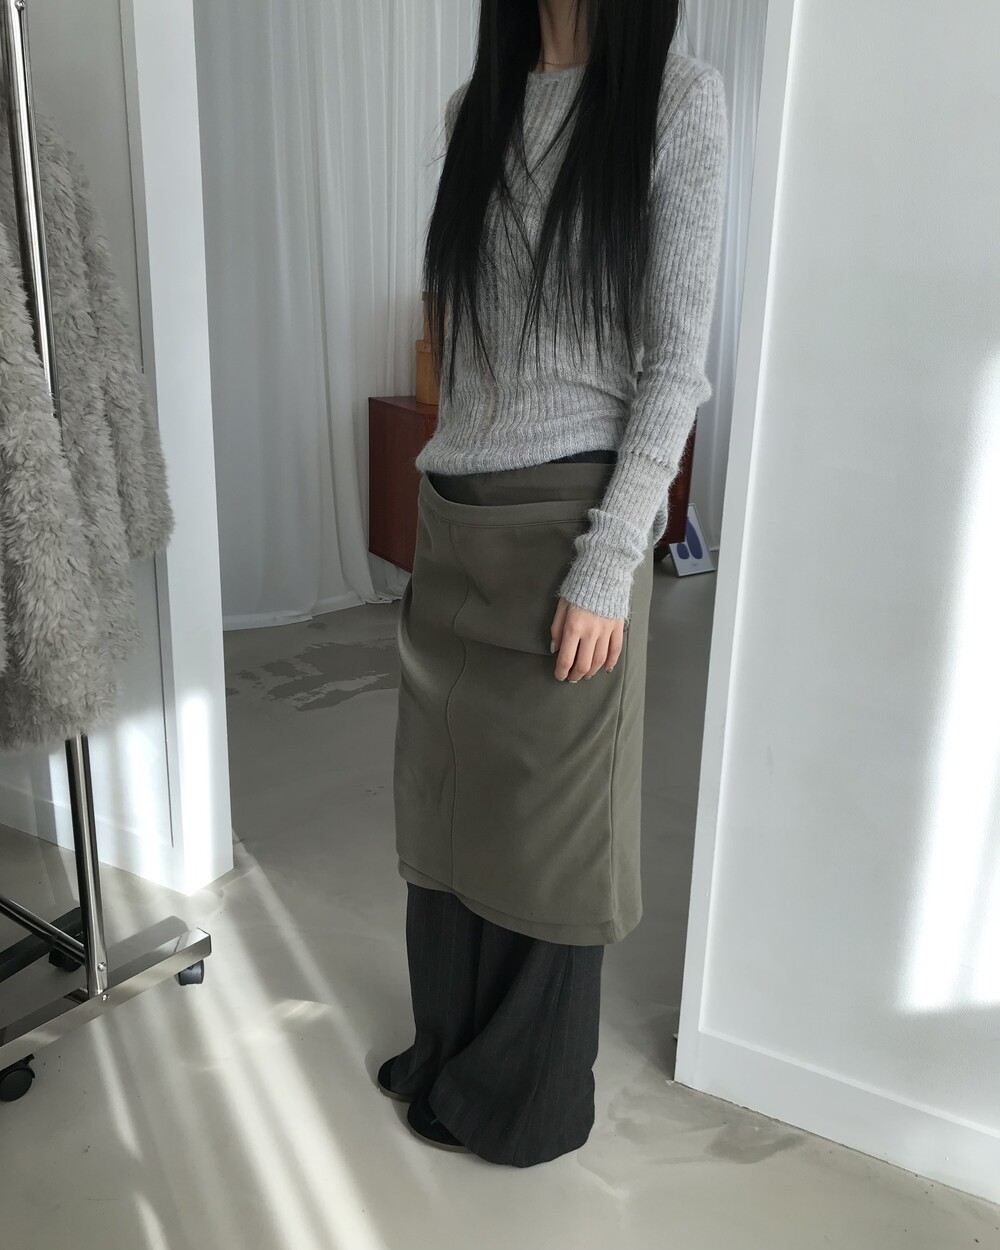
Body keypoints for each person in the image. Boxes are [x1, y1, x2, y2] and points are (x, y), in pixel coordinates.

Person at [380, 0, 729, 1167]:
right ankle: (447, 1047)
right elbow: (466, 336)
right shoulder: (471, 110)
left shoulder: (674, 100)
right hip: (456, 508)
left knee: (550, 827)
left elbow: (675, 363)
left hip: (566, 520)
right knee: (446, 798)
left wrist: (609, 556)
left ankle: (518, 1094)